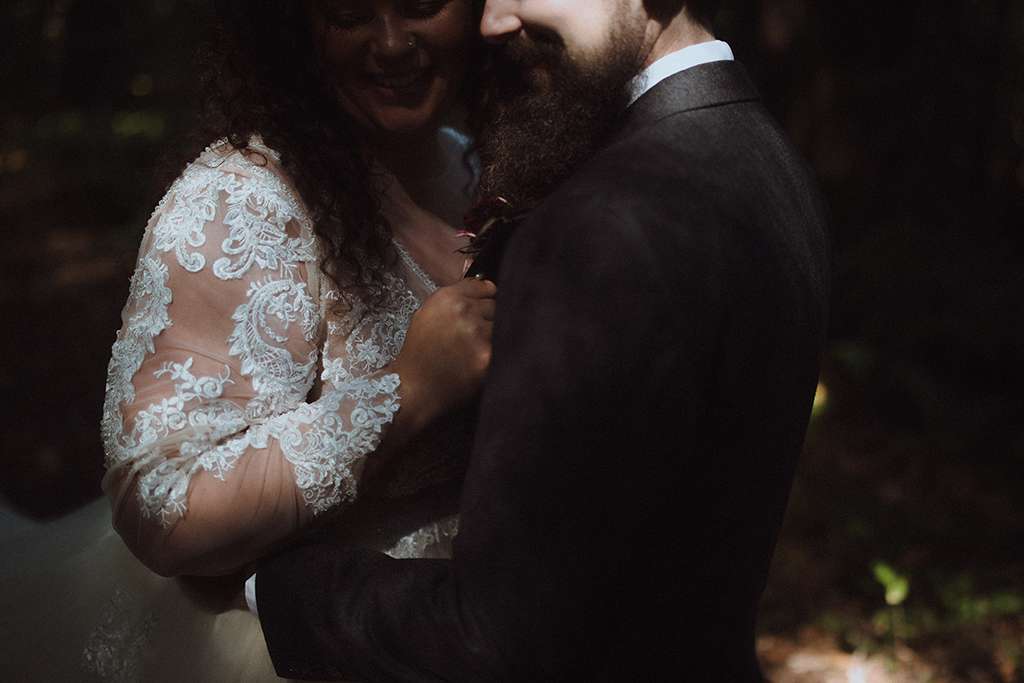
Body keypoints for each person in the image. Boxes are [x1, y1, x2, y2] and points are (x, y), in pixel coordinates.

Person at [251, 0, 831, 681]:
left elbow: (494, 637)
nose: (492, 21)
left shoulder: (600, 222)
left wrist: (274, 587)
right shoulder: (764, 154)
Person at [0, 0, 493, 680]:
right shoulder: (241, 201)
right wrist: (401, 395)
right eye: (350, 11)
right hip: (290, 648)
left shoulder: (475, 165)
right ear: (292, 24)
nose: (390, 43)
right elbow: (164, 501)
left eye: (420, 4)